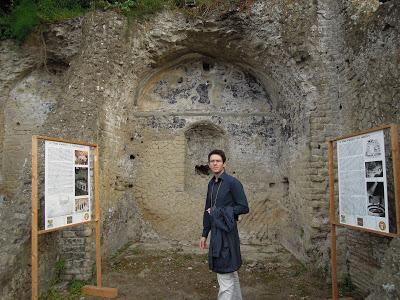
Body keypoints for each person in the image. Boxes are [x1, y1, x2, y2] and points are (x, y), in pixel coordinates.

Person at [199, 149, 249, 300]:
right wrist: (204, 234)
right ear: (209, 164)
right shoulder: (211, 184)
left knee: (224, 271)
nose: (215, 163)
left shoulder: (233, 183)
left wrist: (219, 212)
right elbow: (207, 210)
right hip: (215, 233)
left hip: (228, 233)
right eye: (212, 161)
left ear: (224, 163)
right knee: (230, 270)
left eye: (218, 161)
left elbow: (244, 207)